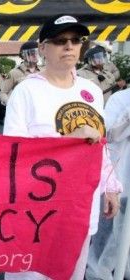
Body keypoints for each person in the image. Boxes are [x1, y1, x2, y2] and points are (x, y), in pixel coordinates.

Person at [3, 14, 121, 280]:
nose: (69, 46)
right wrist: (68, 141)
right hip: (39, 211)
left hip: (80, 207)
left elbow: (98, 145)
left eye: (75, 40)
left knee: (71, 274)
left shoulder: (90, 90)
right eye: (59, 41)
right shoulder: (26, 92)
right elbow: (13, 152)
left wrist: (110, 185)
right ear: (42, 48)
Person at [85, 86, 130, 280]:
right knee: (110, 228)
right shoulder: (121, 99)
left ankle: (123, 266)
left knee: (125, 234)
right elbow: (104, 134)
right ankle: (98, 271)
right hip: (119, 175)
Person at [0, 41, 42, 106]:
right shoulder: (14, 73)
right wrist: (11, 104)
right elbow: (2, 93)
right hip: (23, 109)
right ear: (23, 56)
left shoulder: (43, 71)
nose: (35, 56)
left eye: (37, 53)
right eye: (32, 53)